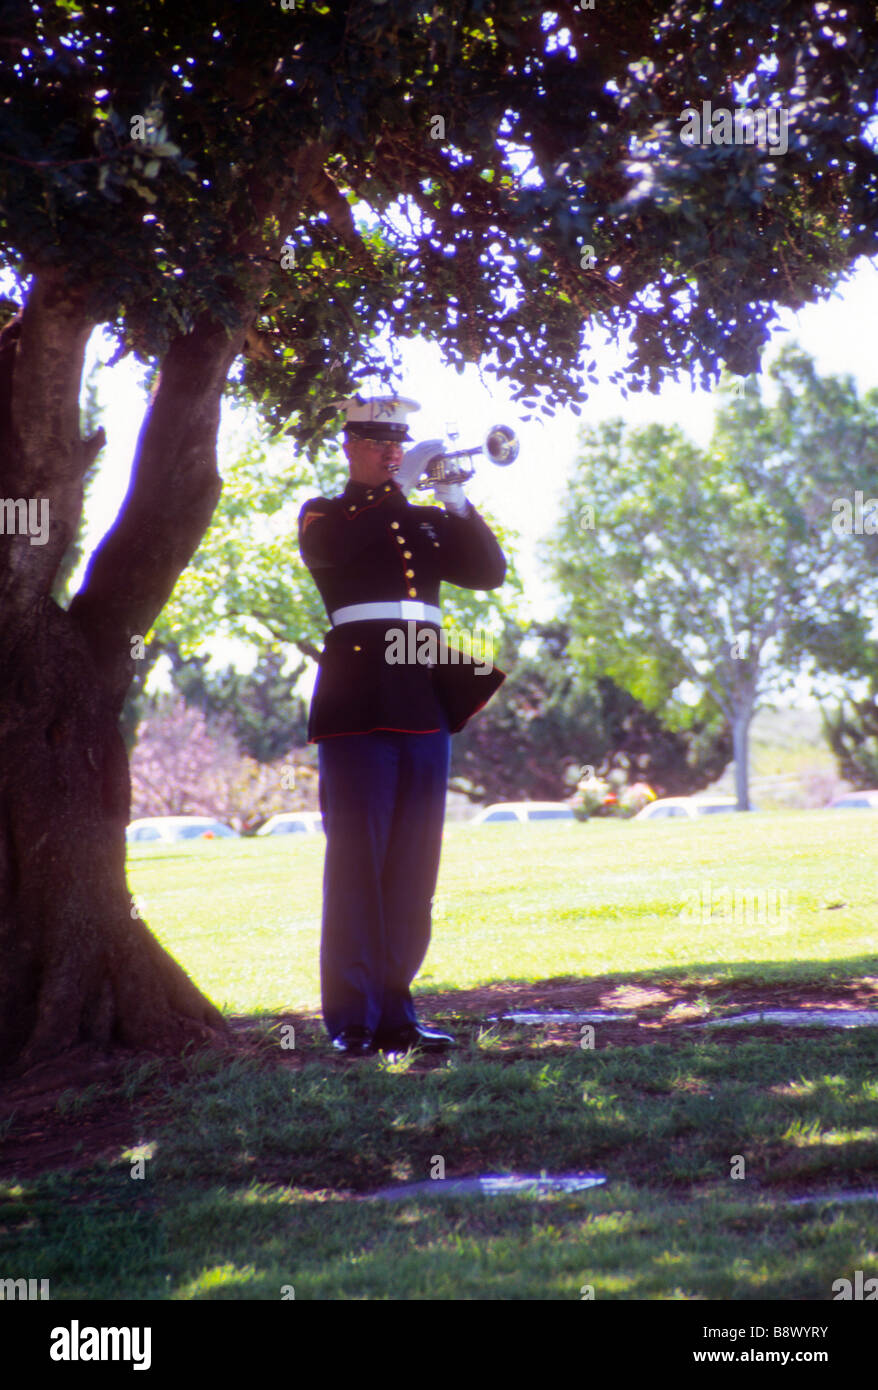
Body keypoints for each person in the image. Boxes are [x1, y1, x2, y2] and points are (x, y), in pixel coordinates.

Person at [298, 393, 507, 1056]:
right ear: (350, 447)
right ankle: (352, 1021)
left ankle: (397, 1013)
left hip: (421, 701)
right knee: (358, 863)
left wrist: (452, 501)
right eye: (381, 443)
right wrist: (400, 487)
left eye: (401, 442)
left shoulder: (420, 518)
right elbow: (338, 553)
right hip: (359, 702)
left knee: (414, 868)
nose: (394, 452)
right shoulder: (324, 515)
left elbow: (488, 573)